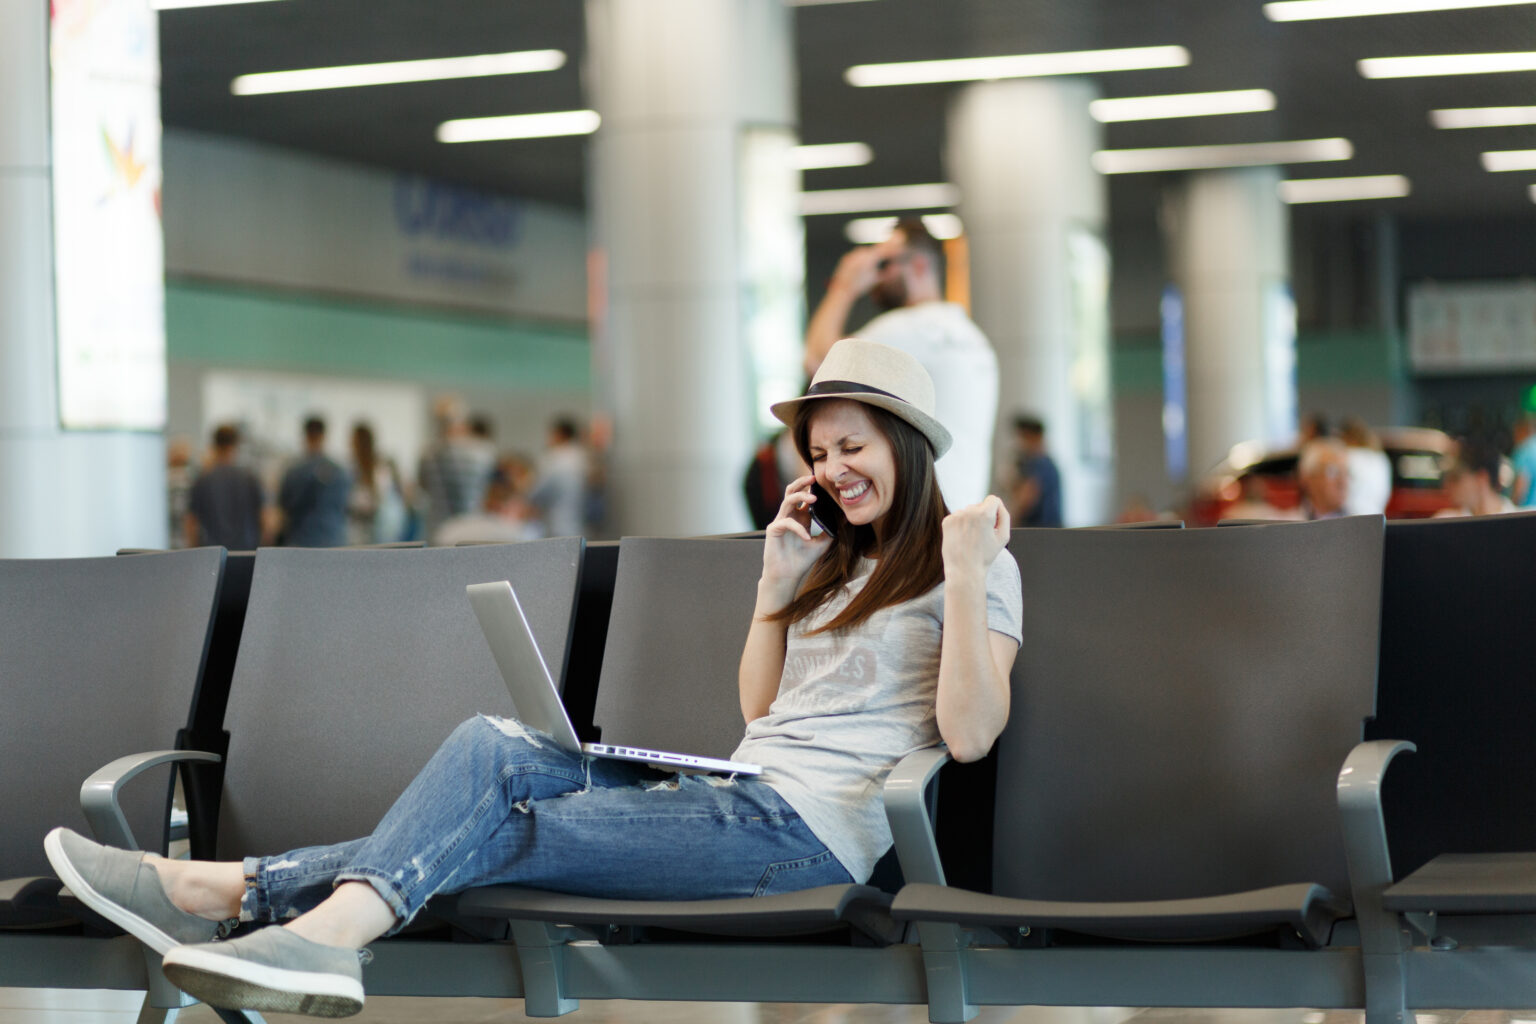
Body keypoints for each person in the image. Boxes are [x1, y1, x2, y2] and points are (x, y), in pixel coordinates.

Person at [41, 338, 1023, 1018]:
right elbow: (761, 714)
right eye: (819, 451)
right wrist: (776, 583)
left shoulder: (972, 560)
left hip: (807, 840)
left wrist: (969, 567)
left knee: (490, 815)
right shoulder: (829, 566)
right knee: (493, 749)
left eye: (853, 445)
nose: (835, 467)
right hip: (733, 796)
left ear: (907, 444)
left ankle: (238, 896)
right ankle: (256, 903)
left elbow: (971, 732)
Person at [805, 218, 998, 508]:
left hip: (922, 519)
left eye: (884, 264)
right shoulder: (972, 337)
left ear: (919, 265)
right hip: (962, 512)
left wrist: (844, 286)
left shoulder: (913, 328)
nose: (876, 276)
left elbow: (818, 364)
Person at [416, 396, 497, 541]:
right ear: (464, 422)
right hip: (472, 525)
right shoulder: (483, 452)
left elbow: (423, 485)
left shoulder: (427, 454)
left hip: (439, 528)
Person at [185, 424, 264, 550]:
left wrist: (193, 551)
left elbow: (192, 522)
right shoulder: (250, 478)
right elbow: (264, 517)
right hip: (247, 553)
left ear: (214, 445)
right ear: (236, 445)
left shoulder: (203, 479)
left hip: (212, 553)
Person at [277, 416, 350, 548]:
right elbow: (345, 507)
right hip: (334, 541)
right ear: (324, 436)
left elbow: (284, 507)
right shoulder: (340, 472)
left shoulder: (294, 472)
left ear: (305, 436)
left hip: (301, 542)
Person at [528, 416, 590, 539]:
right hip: (578, 523)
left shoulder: (555, 458)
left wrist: (524, 492)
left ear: (559, 435)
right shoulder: (581, 457)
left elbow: (538, 491)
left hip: (557, 524)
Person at [345, 423, 406, 546]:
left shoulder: (379, 468)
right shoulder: (354, 469)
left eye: (353, 441)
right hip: (363, 530)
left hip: (379, 530)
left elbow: (377, 500)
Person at [1435, 439, 1518, 517]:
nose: (1447, 486)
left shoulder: (1523, 519)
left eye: (1455, 478)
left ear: (1481, 478)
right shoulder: (1445, 519)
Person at [1007, 415, 1062, 527]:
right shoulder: (1040, 463)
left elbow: (1026, 500)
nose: (1020, 442)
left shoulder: (1041, 465)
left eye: (1023, 436)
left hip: (1040, 533)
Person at [1339, 418, 1392, 516]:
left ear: (1347, 437)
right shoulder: (1381, 458)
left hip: (1351, 516)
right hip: (1377, 516)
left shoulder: (1348, 456)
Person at [1297, 438, 1351, 520]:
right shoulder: (1285, 523)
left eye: (1345, 472)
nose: (1342, 482)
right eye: (1333, 472)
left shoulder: (1363, 523)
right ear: (1307, 478)